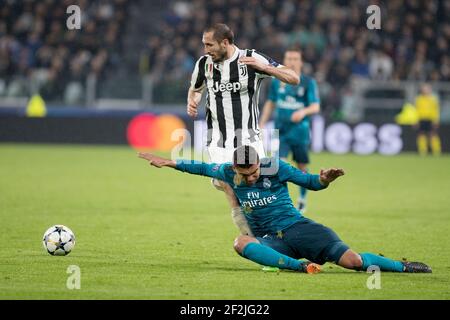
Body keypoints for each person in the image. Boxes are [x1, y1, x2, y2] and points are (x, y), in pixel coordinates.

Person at [138, 145, 432, 274]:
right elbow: (200, 166)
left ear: (258, 163)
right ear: (235, 168)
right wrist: (170, 163)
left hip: (300, 229)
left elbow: (309, 182)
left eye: (254, 171)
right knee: (240, 242)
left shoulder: (275, 166)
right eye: (246, 174)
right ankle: (302, 267)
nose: (251, 177)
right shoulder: (227, 171)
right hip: (274, 240)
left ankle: (403, 266)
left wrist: (323, 179)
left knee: (354, 262)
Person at [187, 23, 299, 236]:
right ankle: (255, 240)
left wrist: (265, 68)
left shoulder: (251, 59)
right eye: (204, 45)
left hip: (249, 139)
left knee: (258, 190)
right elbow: (195, 89)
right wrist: (193, 100)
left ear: (225, 42)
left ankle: (272, 237)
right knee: (229, 186)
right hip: (218, 140)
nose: (205, 50)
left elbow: (294, 78)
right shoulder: (204, 64)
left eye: (209, 45)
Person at [260, 48, 320, 212]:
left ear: (300, 62)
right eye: (289, 59)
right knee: (277, 164)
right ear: (285, 61)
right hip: (280, 131)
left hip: (300, 132)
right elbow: (271, 103)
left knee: (301, 167)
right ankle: (281, 201)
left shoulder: (308, 82)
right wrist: (262, 123)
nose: (292, 62)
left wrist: (303, 112)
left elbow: (315, 106)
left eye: (295, 59)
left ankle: (302, 199)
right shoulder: (275, 82)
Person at [415, 83, 441, 156]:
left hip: (431, 119)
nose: (425, 90)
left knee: (433, 134)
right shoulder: (419, 99)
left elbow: (436, 110)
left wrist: (436, 120)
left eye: (426, 89)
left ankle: (436, 151)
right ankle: (423, 150)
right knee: (421, 134)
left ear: (430, 90)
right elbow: (417, 110)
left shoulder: (433, 99)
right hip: (421, 118)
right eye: (424, 89)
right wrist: (416, 120)